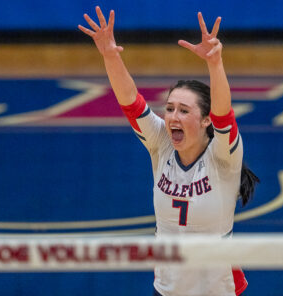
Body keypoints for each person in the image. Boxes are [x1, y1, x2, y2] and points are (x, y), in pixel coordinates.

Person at [79, 7, 259, 296]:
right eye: (170, 108)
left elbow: (224, 116)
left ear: (205, 120)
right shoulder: (161, 142)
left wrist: (215, 63)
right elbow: (131, 103)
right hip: (165, 291)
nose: (173, 116)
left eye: (184, 110)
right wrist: (110, 56)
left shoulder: (223, 157)